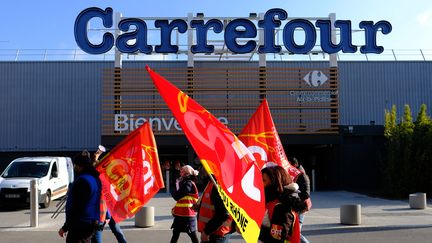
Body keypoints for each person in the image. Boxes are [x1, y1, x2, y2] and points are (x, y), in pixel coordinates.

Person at [58, 150, 103, 243]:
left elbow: (77, 207)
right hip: (91, 221)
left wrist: (65, 227)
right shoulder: (95, 179)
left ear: (80, 166)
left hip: (80, 224)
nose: (74, 167)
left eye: (75, 165)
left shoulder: (82, 181)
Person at [259, 166, 306, 243]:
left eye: (264, 180)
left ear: (275, 183)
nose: (260, 184)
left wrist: (251, 229)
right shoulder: (270, 201)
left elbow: (276, 239)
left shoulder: (282, 206)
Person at [91, 147, 127, 243]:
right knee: (117, 231)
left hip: (107, 211)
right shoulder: (104, 177)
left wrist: (107, 216)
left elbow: (104, 199)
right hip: (109, 210)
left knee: (115, 230)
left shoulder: (100, 180)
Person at [170, 165, 200, 243]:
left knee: (192, 234)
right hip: (182, 213)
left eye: (182, 171)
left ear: (187, 173)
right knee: (176, 233)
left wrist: (172, 189)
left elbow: (177, 196)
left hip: (187, 215)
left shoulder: (188, 183)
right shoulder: (185, 182)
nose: (180, 172)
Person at [197, 178, 233, 243]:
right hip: (215, 233)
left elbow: (223, 214)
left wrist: (207, 232)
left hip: (216, 235)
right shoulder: (211, 182)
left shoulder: (218, 184)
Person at [290, 157, 311, 243]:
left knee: (296, 233)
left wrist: (294, 190)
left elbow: (306, 194)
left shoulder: (302, 175)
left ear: (295, 164)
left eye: (290, 164)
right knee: (294, 232)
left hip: (301, 207)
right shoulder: (297, 174)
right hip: (298, 206)